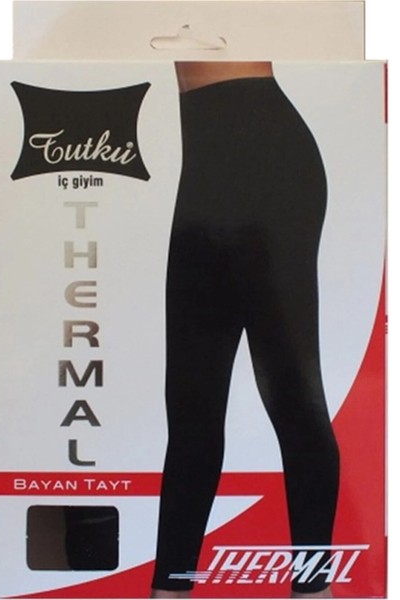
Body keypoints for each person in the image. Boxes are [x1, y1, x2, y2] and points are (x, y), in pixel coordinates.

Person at [151, 61, 340, 599]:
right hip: (204, 171)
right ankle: (168, 591)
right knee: (191, 409)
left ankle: (314, 590)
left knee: (294, 398)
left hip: (267, 161)